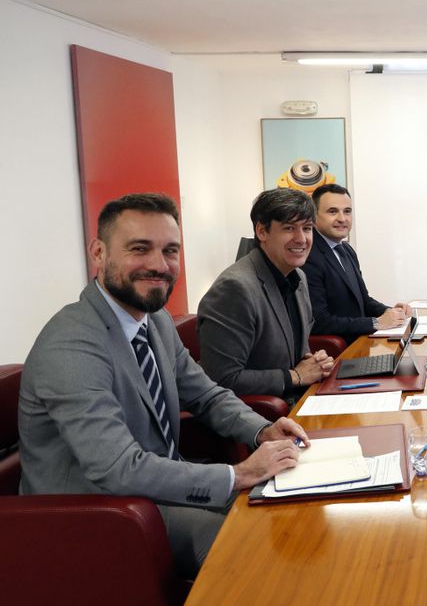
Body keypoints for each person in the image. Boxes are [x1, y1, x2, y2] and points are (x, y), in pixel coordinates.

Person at [18, 193, 309, 578]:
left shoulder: (153, 321)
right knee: (255, 548)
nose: (159, 264)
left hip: (155, 491)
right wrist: (238, 475)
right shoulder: (71, 343)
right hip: (97, 515)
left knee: (290, 514)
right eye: (140, 249)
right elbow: (118, 469)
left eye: (170, 250)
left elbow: (206, 395)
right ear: (99, 252)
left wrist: (261, 430)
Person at [198, 188, 334, 400]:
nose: (302, 239)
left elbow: (295, 352)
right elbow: (221, 379)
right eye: (289, 228)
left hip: (300, 398)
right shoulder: (235, 288)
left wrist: (313, 362)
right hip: (264, 412)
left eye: (307, 228)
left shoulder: (298, 276)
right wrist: (295, 376)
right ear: (262, 232)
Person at [302, 183, 411, 341]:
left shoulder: (346, 250)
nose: (342, 219)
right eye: (332, 211)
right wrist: (375, 323)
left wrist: (391, 312)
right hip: (339, 350)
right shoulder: (308, 256)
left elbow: (364, 300)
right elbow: (319, 321)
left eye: (347, 211)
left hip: (361, 341)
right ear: (314, 217)